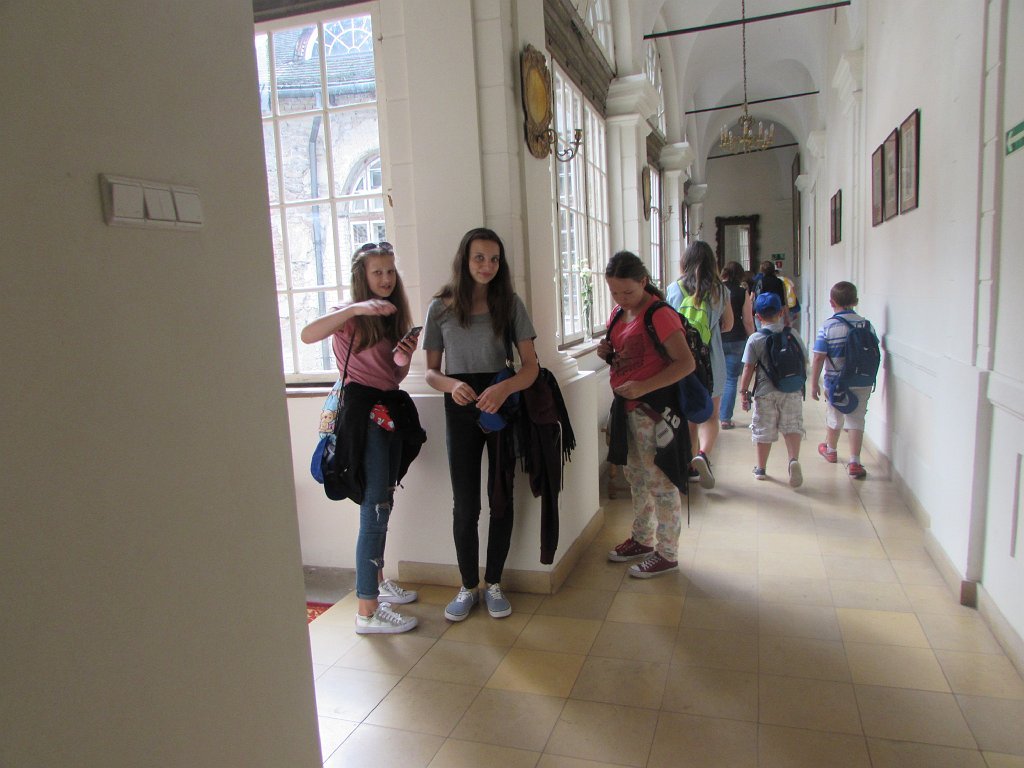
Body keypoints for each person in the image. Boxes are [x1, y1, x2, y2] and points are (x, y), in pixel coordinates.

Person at [300, 241, 425, 634]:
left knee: (382, 501)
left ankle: (377, 583)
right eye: (377, 272)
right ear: (362, 276)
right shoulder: (350, 315)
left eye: (390, 271)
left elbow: (392, 377)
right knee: (375, 508)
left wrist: (404, 356)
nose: (386, 279)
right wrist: (355, 309)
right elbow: (306, 334)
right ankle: (367, 610)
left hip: (388, 411)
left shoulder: (390, 316)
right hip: (363, 417)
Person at [423, 227, 539, 621]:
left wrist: (504, 388)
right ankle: (467, 585)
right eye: (479, 258)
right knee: (465, 504)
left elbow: (530, 367)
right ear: (464, 259)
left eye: (494, 259)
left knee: (501, 496)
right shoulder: (440, 307)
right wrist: (452, 385)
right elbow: (430, 372)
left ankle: (494, 583)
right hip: (460, 406)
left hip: (500, 404)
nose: (487, 266)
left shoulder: (510, 303)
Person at [600, 251, 695, 578]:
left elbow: (685, 363)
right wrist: (606, 353)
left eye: (627, 291)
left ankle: (667, 553)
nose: (621, 298)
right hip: (627, 410)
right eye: (614, 292)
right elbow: (628, 353)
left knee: (661, 481)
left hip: (654, 411)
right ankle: (642, 538)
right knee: (637, 478)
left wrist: (643, 386)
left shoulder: (660, 314)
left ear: (643, 281)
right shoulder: (619, 313)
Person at [665, 241, 734, 488]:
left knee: (689, 415)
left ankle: (689, 465)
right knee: (711, 415)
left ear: (684, 262)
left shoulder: (674, 289)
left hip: (682, 361)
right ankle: (702, 455)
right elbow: (729, 325)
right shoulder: (720, 291)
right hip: (712, 361)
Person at [738, 292, 807, 487]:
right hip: (792, 389)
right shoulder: (793, 334)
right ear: (781, 312)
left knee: (763, 429)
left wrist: (744, 392)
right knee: (792, 426)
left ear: (758, 316)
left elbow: (748, 368)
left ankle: (761, 468)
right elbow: (803, 359)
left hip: (765, 392)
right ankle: (793, 460)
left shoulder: (755, 339)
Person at [809, 281, 875, 479]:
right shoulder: (866, 325)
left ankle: (831, 449)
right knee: (857, 418)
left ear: (832, 302)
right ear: (856, 301)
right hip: (862, 380)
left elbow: (819, 356)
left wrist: (814, 383)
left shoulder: (828, 326)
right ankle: (855, 461)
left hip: (836, 381)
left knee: (834, 415)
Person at [719, 260, 754, 430]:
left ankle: (711, 415)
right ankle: (725, 418)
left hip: (717, 338)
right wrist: (753, 338)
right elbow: (747, 320)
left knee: (716, 378)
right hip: (737, 338)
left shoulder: (716, 291)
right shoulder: (742, 292)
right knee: (731, 379)